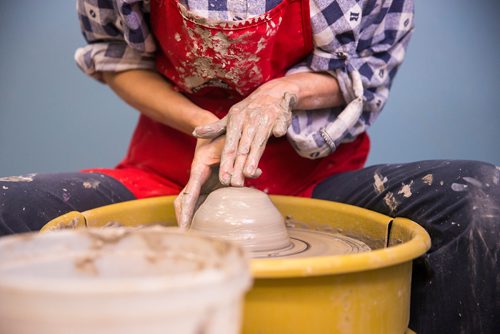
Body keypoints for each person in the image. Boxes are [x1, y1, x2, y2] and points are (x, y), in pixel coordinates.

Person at [0, 0, 497, 332]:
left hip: (315, 181)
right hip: (173, 175)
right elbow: (117, 58)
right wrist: (204, 125)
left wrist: (280, 93)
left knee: (477, 199)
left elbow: (367, 70)